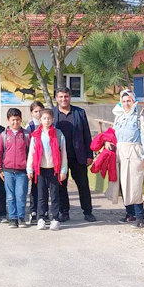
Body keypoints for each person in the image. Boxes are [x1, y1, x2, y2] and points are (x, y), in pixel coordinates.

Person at [53, 87, 96, 223]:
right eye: (60, 97)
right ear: (56, 98)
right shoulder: (52, 113)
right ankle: (64, 212)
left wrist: (90, 155)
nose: (63, 99)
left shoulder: (79, 113)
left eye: (66, 96)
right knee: (61, 186)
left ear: (70, 97)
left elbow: (87, 135)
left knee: (83, 185)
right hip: (60, 157)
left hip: (78, 156)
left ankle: (88, 212)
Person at [113, 89, 144, 228]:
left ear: (133, 102)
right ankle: (129, 214)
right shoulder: (119, 118)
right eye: (123, 101)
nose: (126, 104)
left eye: (128, 101)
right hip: (120, 154)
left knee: (134, 184)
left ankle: (140, 217)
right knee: (123, 185)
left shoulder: (139, 118)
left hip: (134, 154)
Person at [27, 108, 68, 231]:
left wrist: (63, 170)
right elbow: (32, 152)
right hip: (40, 170)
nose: (47, 120)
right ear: (40, 120)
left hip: (54, 169)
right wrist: (29, 169)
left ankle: (55, 218)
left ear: (53, 119)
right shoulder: (36, 134)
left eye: (49, 118)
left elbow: (64, 153)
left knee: (55, 195)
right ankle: (41, 218)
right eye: (44, 118)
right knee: (41, 195)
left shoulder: (59, 134)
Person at [0, 108, 30, 229]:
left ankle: (21, 218)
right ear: (8, 120)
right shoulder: (4, 135)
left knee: (21, 195)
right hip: (8, 171)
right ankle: (13, 218)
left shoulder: (26, 135)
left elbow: (30, 153)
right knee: (10, 196)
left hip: (22, 172)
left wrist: (30, 169)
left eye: (18, 120)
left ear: (21, 120)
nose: (15, 122)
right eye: (13, 120)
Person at [25, 100, 44, 223]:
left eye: (40, 111)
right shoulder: (30, 126)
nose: (38, 113)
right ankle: (33, 210)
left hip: (46, 161)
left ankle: (44, 211)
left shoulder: (48, 123)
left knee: (45, 187)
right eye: (36, 111)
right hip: (34, 161)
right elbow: (27, 146)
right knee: (35, 187)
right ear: (32, 113)